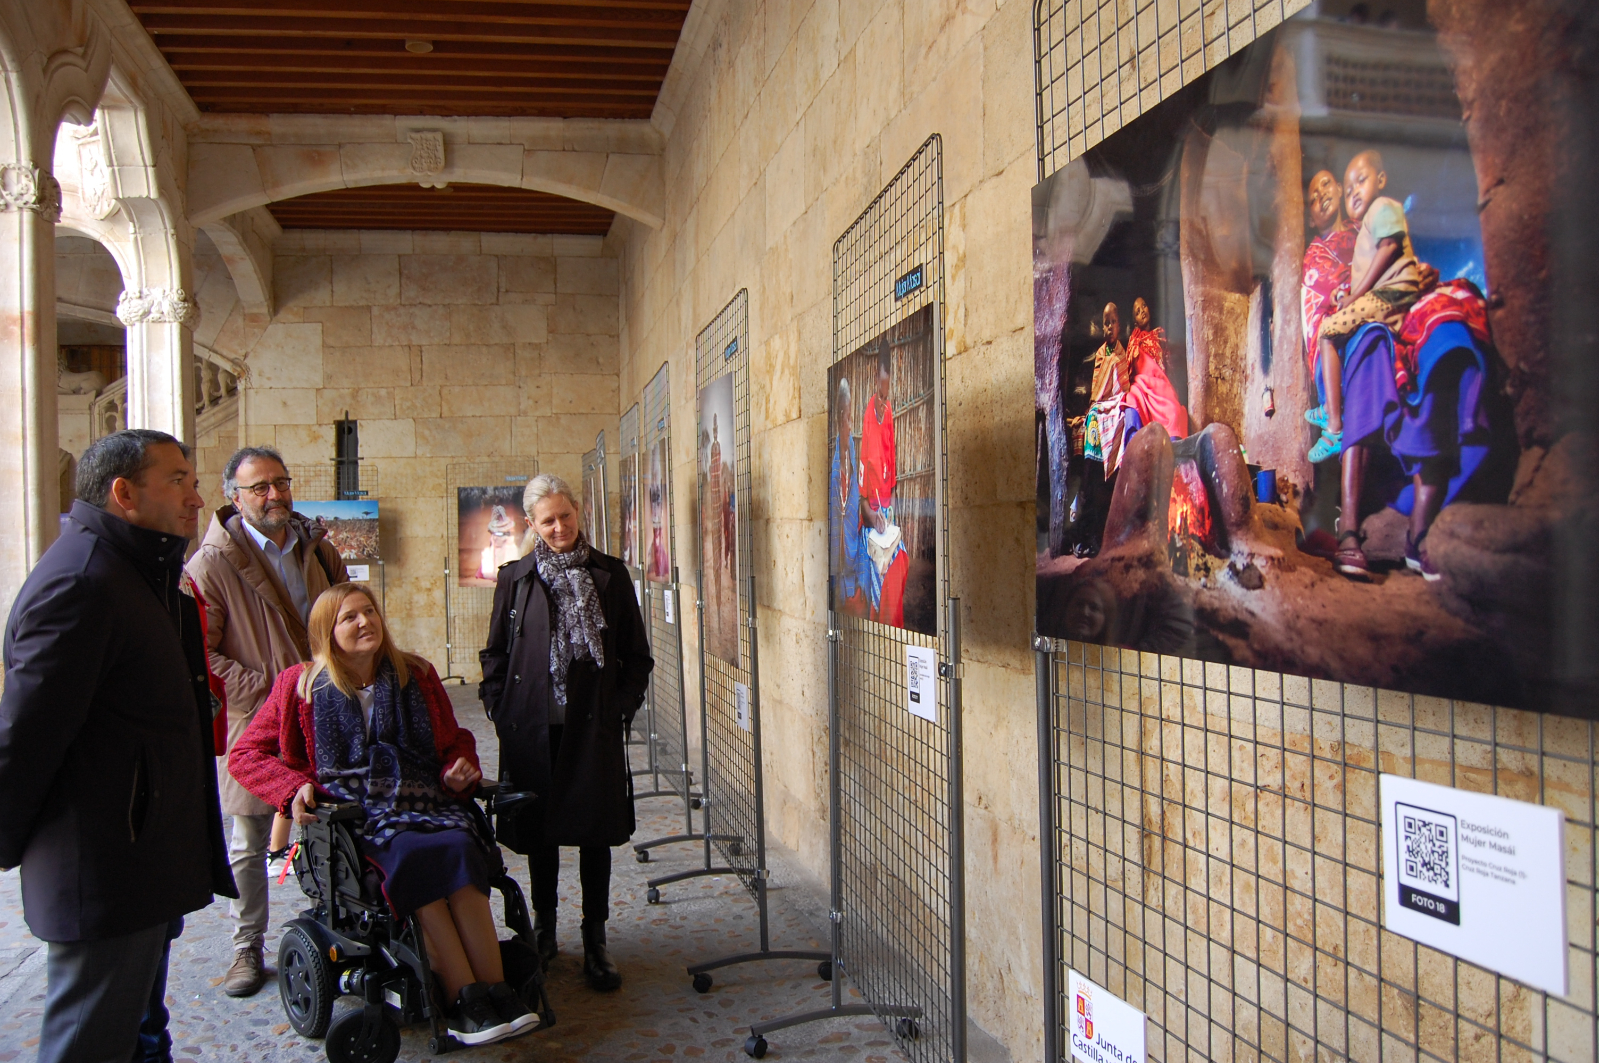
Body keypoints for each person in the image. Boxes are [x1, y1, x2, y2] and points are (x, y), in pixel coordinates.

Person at [0, 429, 236, 1063]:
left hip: (140, 859)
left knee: (136, 1033)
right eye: (178, 481)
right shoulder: (82, 582)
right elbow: (26, 735)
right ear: (124, 493)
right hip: (105, 869)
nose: (196, 498)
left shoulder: (136, 571)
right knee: (89, 1043)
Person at [229, 584, 537, 1046]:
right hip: (355, 817)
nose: (364, 622)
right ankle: (463, 1000)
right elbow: (246, 755)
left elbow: (453, 741)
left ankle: (498, 992)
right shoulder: (300, 686)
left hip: (424, 801)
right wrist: (292, 787)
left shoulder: (416, 674)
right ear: (327, 631)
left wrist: (458, 770)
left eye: (369, 611)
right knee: (413, 857)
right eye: (349, 617)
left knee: (459, 846)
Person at [185, 445, 348, 997]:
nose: (274, 494)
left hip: (326, 711)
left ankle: (338, 928)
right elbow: (200, 653)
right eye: (259, 487)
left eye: (280, 482)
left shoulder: (317, 549)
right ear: (235, 497)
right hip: (259, 722)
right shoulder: (211, 565)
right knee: (251, 839)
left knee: (335, 823)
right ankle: (246, 947)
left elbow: (347, 613)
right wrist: (271, 691)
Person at [480, 474, 654, 991]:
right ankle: (545, 928)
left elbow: (637, 657)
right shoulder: (516, 579)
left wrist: (618, 708)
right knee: (541, 833)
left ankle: (595, 937)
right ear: (531, 524)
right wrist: (500, 709)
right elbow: (496, 653)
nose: (559, 527)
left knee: (594, 833)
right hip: (532, 729)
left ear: (578, 511)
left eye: (566, 516)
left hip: (591, 729)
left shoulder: (609, 575)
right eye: (548, 520)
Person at [1309, 150, 1426, 462]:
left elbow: (1388, 249)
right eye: (1349, 190)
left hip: (1389, 295)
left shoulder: (1382, 208)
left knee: (1328, 330)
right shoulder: (1364, 227)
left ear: (1381, 180)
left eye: (1361, 181)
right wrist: (1343, 295)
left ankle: (1334, 425)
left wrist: (1356, 295)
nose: (1355, 193)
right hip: (1384, 297)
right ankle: (1331, 406)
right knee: (1334, 330)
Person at [1298, 168, 1357, 421]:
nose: (1321, 194)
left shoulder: (1363, 230)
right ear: (1311, 220)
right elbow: (1346, 290)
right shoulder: (1315, 255)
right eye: (1313, 198)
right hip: (1338, 339)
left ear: (1341, 189)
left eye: (1326, 184)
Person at [829, 378, 874, 617]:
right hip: (843, 548)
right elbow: (837, 516)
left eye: (850, 418)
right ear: (840, 420)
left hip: (855, 536)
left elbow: (856, 494)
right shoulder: (836, 468)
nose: (850, 425)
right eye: (847, 418)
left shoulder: (852, 451)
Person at [1122, 297, 1189, 439]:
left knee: (1175, 412)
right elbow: (1129, 369)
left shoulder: (1160, 337)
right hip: (1142, 386)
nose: (1142, 311)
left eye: (1144, 306)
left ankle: (1173, 445)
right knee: (1131, 399)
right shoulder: (1134, 341)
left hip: (1161, 386)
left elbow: (1170, 368)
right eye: (1137, 312)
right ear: (1135, 322)